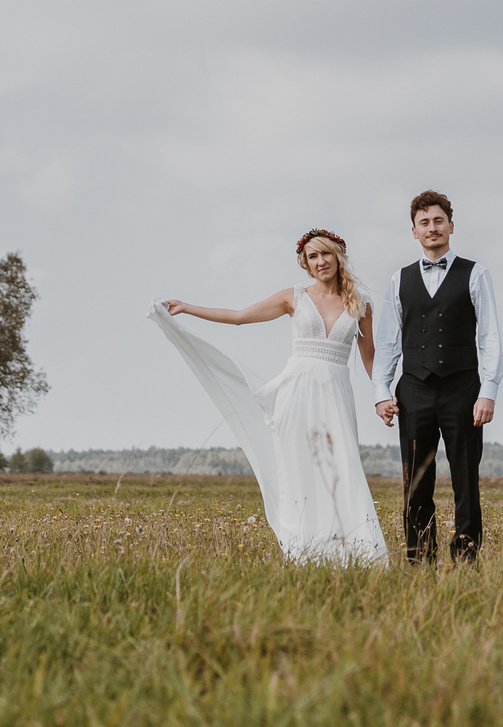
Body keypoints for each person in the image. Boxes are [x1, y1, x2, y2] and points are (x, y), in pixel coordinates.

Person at [153, 228, 390, 567]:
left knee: (343, 470)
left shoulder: (361, 303)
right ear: (305, 264)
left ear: (339, 257)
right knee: (300, 474)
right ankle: (305, 553)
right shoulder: (293, 297)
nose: (321, 261)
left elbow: (370, 358)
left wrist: (384, 395)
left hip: (336, 399)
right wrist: (189, 308)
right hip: (296, 397)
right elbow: (238, 318)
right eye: (313, 256)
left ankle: (357, 554)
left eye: (326, 254)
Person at [372, 189, 502, 564]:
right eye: (424, 223)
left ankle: (466, 559)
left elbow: (489, 336)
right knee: (415, 482)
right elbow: (388, 340)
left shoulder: (476, 273)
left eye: (438, 221)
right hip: (413, 391)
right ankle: (419, 559)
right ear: (414, 231)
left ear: (451, 225)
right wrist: (381, 391)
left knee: (466, 480)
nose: (432, 228)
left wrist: (488, 390)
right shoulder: (399, 279)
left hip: (464, 390)